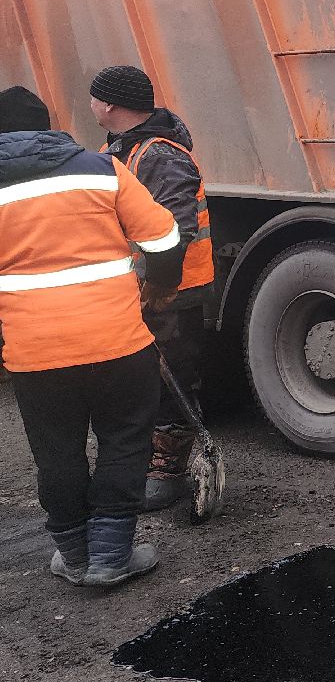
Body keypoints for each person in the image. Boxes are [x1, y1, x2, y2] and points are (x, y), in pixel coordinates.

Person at [0, 85, 184, 588]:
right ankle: (110, 556)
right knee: (124, 443)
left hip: (35, 355)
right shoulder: (101, 168)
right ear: (46, 124)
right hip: (117, 343)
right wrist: (160, 288)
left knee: (56, 452)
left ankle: (75, 556)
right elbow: (164, 235)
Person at [90, 65, 214, 512]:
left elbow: (175, 227)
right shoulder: (121, 149)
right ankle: (149, 461)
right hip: (141, 285)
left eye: (94, 98)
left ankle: (168, 470)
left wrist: (161, 285)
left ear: (108, 104)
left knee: (173, 376)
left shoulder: (159, 154)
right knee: (145, 377)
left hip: (174, 288)